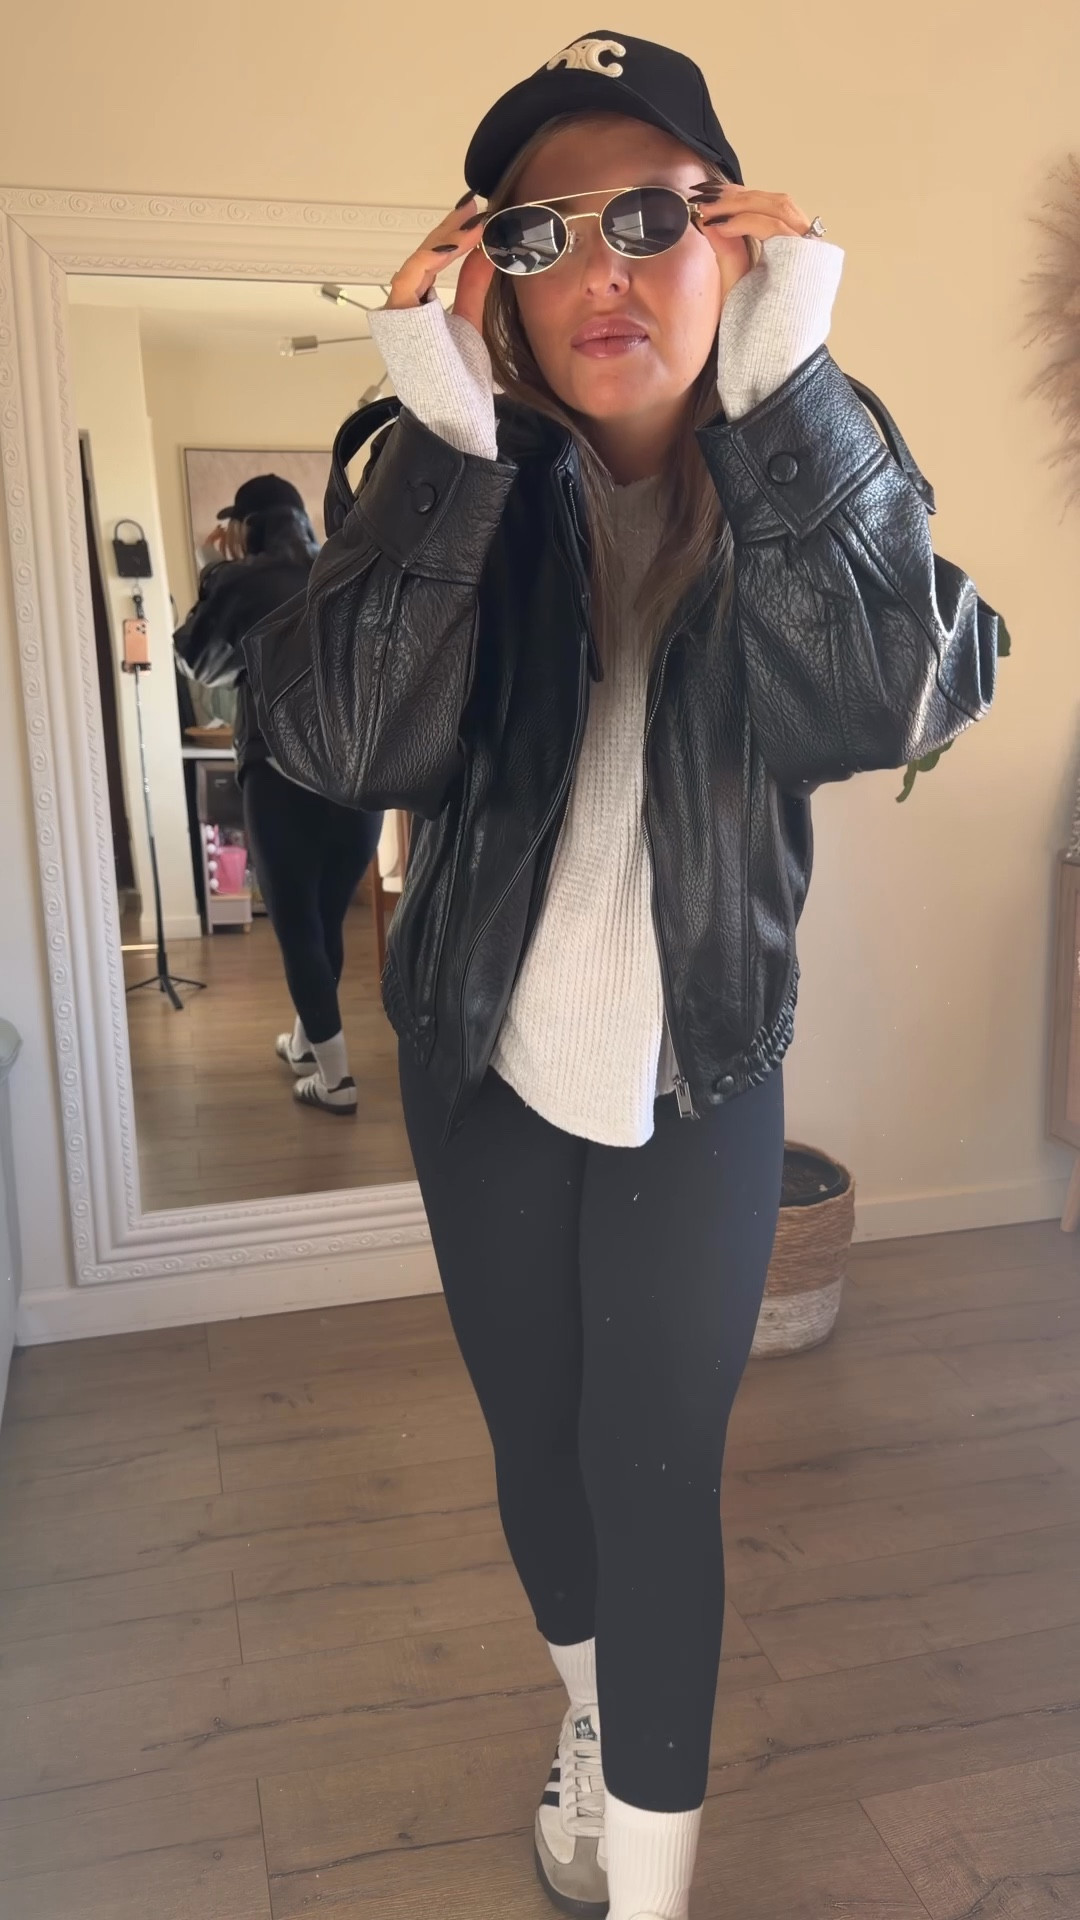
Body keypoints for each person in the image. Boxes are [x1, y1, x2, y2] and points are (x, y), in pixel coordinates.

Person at [244, 32, 997, 1919]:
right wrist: (441, 448)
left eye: (651, 217)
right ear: (488, 275)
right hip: (477, 1054)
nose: (599, 267)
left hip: (702, 1060)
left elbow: (892, 701)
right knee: (540, 1448)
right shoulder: (441, 478)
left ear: (735, 240)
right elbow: (337, 750)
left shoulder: (823, 462)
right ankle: (587, 1719)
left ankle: (650, 1890)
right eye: (539, 228)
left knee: (654, 1475)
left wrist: (791, 394)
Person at [175, 475, 382, 1115]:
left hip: (280, 774)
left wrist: (213, 571)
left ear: (247, 526)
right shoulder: (348, 567)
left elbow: (196, 661)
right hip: (359, 780)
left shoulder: (240, 582)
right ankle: (305, 1046)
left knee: (296, 929)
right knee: (323, 921)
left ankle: (337, 1081)